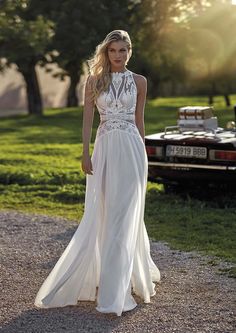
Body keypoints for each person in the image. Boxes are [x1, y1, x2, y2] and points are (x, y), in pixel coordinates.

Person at [34, 29, 160, 317]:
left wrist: (144, 155)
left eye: (123, 51)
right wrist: (84, 152)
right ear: (107, 52)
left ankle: (117, 288)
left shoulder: (139, 81)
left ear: (130, 51)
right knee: (105, 212)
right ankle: (107, 278)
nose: (118, 56)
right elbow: (88, 121)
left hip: (131, 151)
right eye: (113, 51)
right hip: (103, 151)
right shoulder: (93, 81)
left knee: (125, 215)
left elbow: (140, 119)